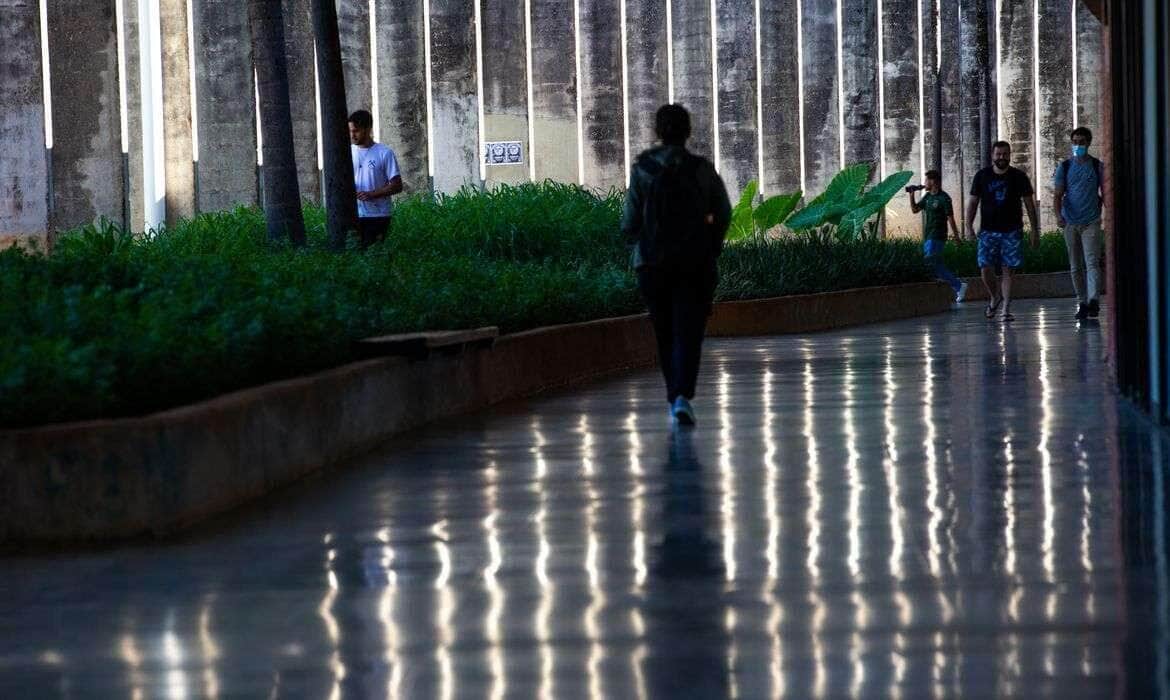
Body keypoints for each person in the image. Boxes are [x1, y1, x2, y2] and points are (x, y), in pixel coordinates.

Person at [621, 104, 731, 425]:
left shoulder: (643, 169)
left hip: (652, 265)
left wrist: (641, 245)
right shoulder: (701, 170)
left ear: (658, 131)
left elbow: (628, 221)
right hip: (694, 264)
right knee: (689, 330)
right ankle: (682, 395)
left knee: (664, 330)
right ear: (688, 132)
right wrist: (711, 244)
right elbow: (723, 212)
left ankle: (674, 396)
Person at [964, 141, 1040, 322]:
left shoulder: (1019, 176)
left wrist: (1034, 230)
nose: (1002, 158)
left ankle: (1006, 308)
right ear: (992, 155)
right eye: (998, 154)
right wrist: (968, 226)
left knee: (1008, 271)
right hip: (988, 231)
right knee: (984, 268)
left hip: (1012, 231)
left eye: (1005, 154)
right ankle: (994, 296)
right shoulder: (982, 176)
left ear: (1010, 155)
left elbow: (1029, 205)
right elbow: (973, 203)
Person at [1053, 126, 1106, 321]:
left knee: (1092, 262)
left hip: (1091, 221)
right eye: (1075, 142)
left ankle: (1093, 300)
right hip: (1070, 222)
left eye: (1081, 142)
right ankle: (1082, 301)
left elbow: (1105, 193)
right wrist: (1058, 216)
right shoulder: (1065, 167)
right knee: (1075, 266)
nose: (1078, 145)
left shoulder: (1097, 166)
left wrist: (1107, 216)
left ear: (1088, 143)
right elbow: (1058, 195)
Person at [909, 170, 968, 303]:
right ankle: (958, 286)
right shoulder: (928, 197)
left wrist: (957, 237)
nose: (924, 183)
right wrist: (911, 195)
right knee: (936, 264)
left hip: (938, 235)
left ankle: (957, 286)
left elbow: (951, 218)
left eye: (926, 180)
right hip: (928, 235)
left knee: (930, 262)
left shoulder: (944, 198)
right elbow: (915, 210)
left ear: (933, 181)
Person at [348, 110, 403, 248]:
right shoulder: (347, 152)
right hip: (353, 215)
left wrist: (371, 194)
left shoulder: (384, 153)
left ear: (367, 129)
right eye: (350, 131)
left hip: (378, 215)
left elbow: (397, 185)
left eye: (356, 131)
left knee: (374, 254)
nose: (352, 135)